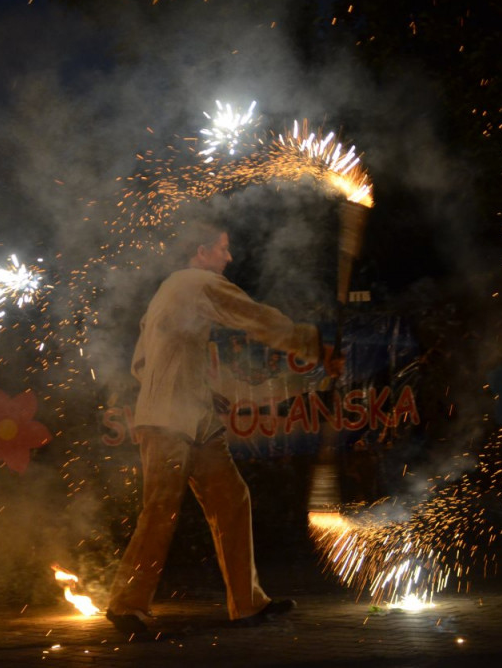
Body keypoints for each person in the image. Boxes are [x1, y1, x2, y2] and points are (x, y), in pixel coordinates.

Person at [106, 220, 335, 635]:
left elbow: (143, 363)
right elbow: (252, 316)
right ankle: (126, 604)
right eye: (223, 249)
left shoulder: (167, 292)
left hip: (194, 420)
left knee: (232, 498)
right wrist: (311, 343)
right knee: (160, 510)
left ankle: (247, 603)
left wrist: (198, 392)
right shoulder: (196, 282)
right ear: (201, 251)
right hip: (167, 423)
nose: (228, 257)